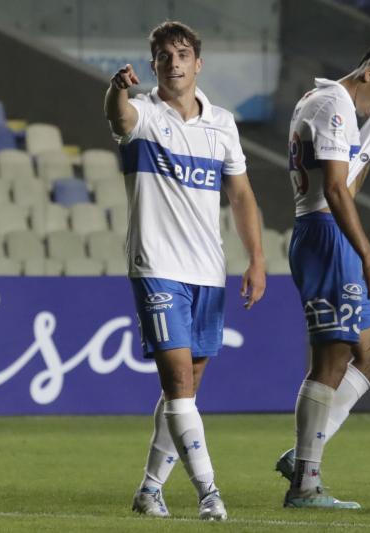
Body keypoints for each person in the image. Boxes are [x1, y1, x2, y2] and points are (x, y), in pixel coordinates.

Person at [103, 20, 266, 521]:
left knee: (186, 387)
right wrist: (116, 88)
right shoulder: (144, 114)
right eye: (164, 56)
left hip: (208, 271)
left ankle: (149, 490)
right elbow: (119, 117)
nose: (173, 63)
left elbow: (241, 194)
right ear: (153, 65)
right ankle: (208, 492)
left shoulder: (222, 124)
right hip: (157, 266)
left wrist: (257, 259)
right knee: (178, 382)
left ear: (198, 63)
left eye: (182, 54)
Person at [274, 44, 370, 509]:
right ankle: (305, 483)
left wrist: (366, 150)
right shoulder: (334, 106)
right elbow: (337, 191)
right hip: (325, 235)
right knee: (332, 359)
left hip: (327, 233)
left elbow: (348, 184)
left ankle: (303, 453)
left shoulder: (327, 104)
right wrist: (369, 256)